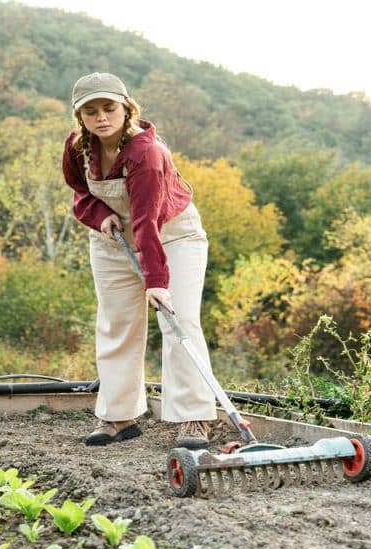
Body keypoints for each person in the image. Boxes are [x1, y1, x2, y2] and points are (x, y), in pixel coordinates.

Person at [61, 72, 217, 449]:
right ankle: (118, 415)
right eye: (91, 111)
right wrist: (99, 216)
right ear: (80, 117)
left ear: (126, 108)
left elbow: (148, 221)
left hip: (171, 234)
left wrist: (157, 282)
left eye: (109, 107)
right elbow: (80, 193)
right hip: (113, 238)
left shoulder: (147, 152)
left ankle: (193, 416)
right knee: (117, 323)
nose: (101, 117)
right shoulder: (78, 148)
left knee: (177, 318)